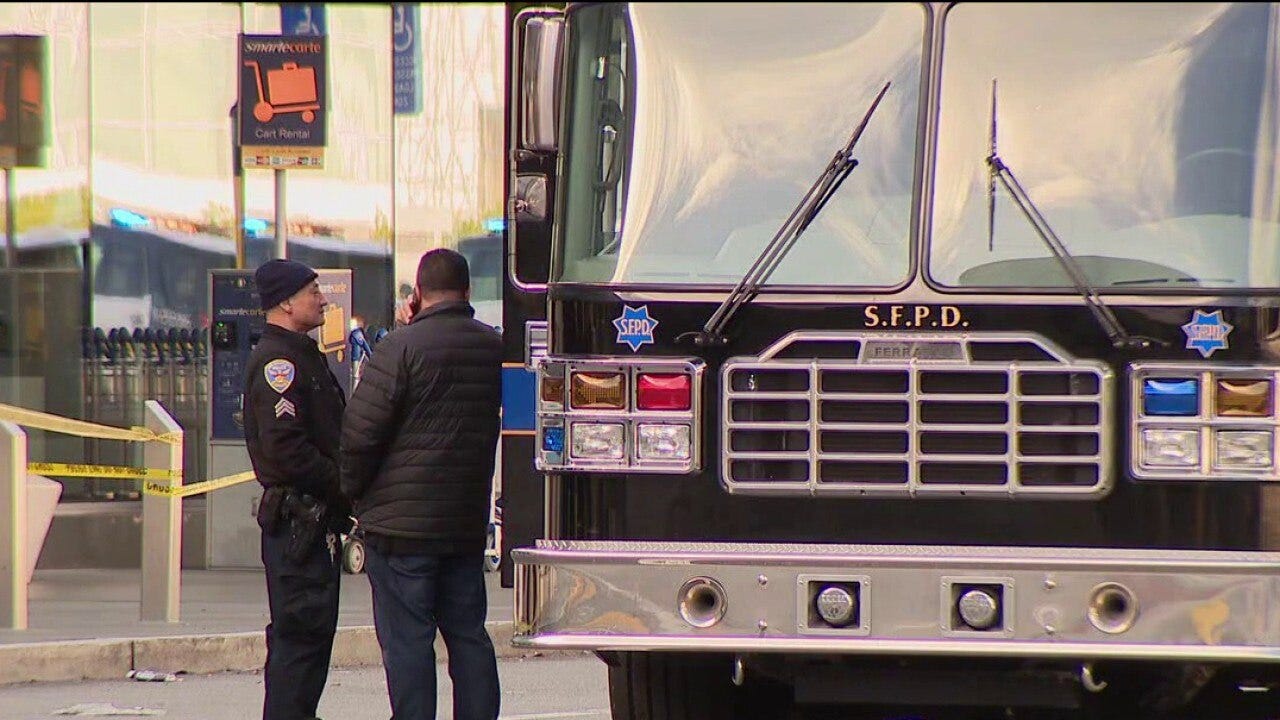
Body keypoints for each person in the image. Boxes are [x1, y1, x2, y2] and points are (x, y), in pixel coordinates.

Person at [341, 248, 503, 720]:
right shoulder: (493, 348)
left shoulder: (399, 348)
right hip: (464, 524)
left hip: (401, 529)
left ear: (416, 294)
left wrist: (354, 496)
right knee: (469, 635)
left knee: (409, 642)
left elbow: (360, 434)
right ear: (468, 292)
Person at [243, 258, 351, 720]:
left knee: (311, 636)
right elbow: (287, 452)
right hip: (297, 522)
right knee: (300, 638)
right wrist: (346, 484)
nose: (323, 300)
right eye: (313, 292)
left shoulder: (302, 353)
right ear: (286, 302)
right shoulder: (279, 362)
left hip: (315, 520)